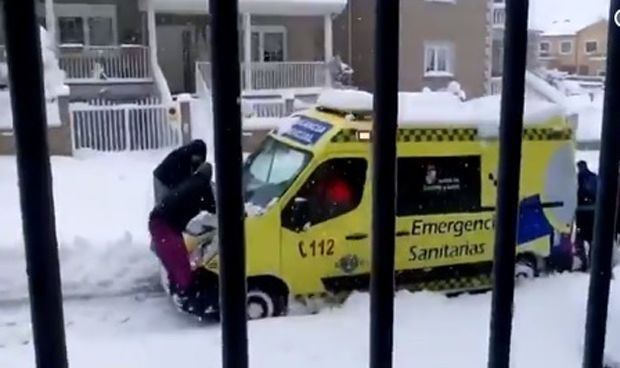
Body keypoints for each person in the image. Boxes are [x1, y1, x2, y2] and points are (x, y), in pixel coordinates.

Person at [149, 162, 216, 313]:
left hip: (161, 221)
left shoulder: (193, 181)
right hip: (164, 225)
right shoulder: (201, 186)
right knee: (179, 262)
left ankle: (177, 288)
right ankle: (186, 296)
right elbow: (213, 208)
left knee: (176, 259)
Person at [153, 139, 207, 204]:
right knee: (163, 204)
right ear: (193, 153)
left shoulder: (193, 160)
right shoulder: (182, 158)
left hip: (171, 179)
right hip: (162, 179)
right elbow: (185, 182)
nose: (200, 160)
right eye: (199, 157)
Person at [575, 160, 598, 270]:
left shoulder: (577, 179)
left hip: (582, 213)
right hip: (593, 212)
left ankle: (583, 263)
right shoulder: (594, 177)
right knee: (592, 240)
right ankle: (593, 262)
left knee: (580, 239)